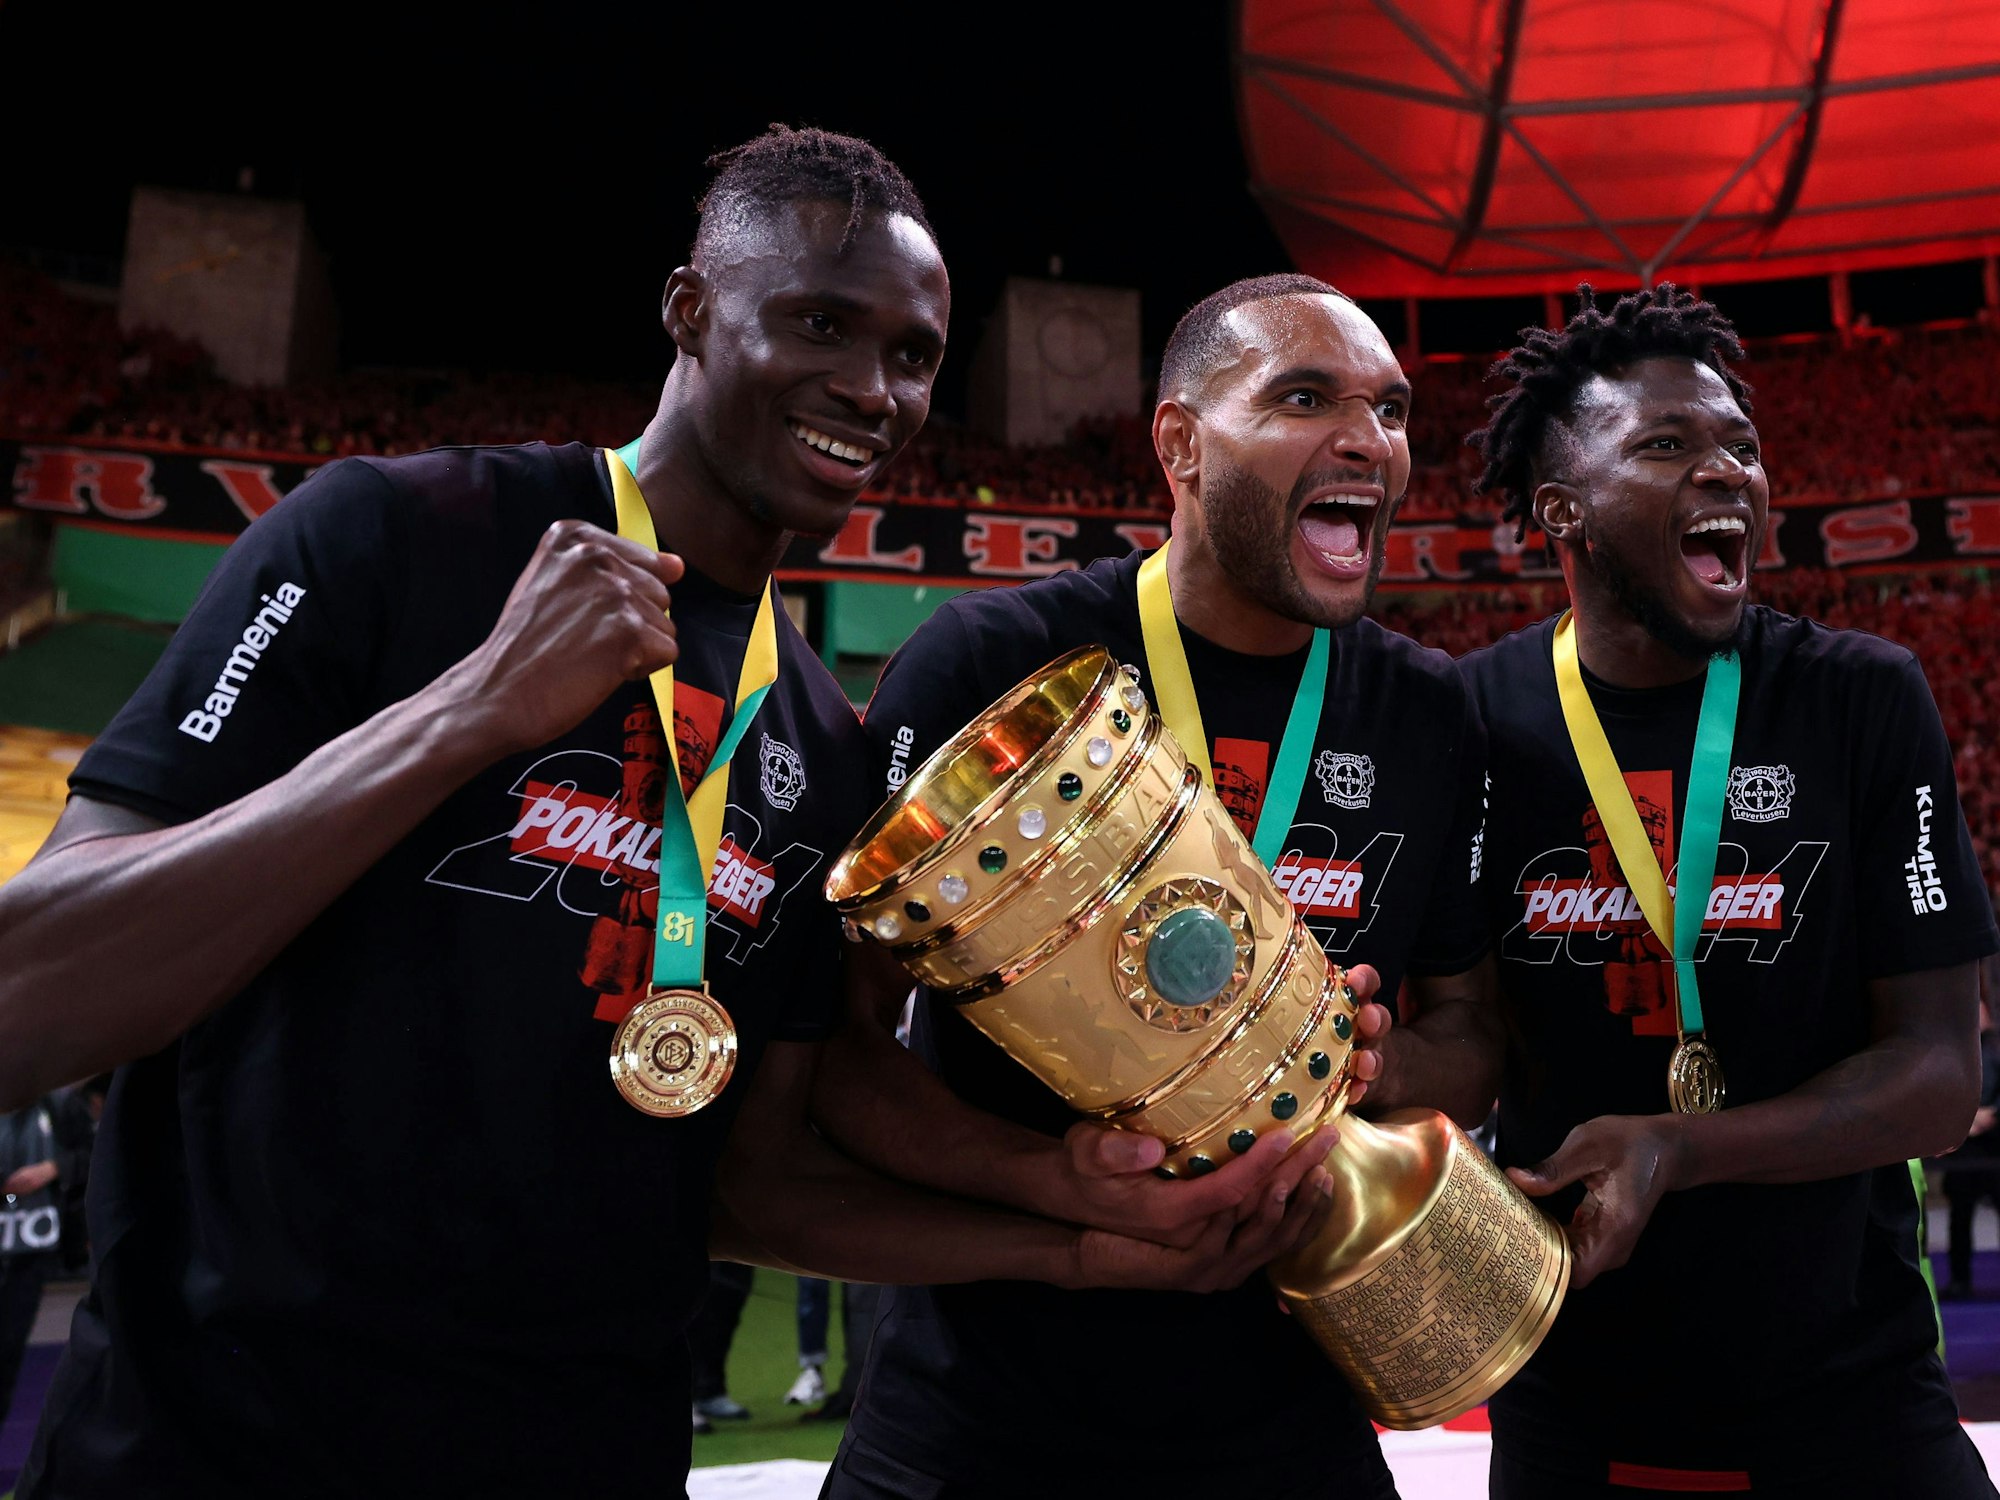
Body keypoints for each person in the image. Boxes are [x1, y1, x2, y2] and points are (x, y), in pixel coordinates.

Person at [0, 129, 1330, 1500]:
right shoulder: (394, 536)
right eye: (822, 322)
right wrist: (464, 715)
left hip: (591, 1457)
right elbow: (27, 997)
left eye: (915, 355)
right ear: (689, 310)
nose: (872, 389)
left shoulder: (816, 739)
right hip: (218, 1452)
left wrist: (1077, 1237)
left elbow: (744, 1184)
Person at [812, 273, 1501, 1499]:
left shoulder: (1425, 712)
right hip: (978, 1422)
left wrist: (1350, 1062)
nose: (1370, 441)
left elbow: (1472, 1033)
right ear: (1179, 443)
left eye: (1389, 411)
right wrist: (1055, 1191)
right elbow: (840, 1049)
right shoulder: (994, 667)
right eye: (1304, 396)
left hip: (1289, 1425)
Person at [1459, 283, 1999, 1499]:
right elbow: (1463, 1032)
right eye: (1665, 445)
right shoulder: (1477, 716)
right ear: (1562, 508)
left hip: (1850, 1397)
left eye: (1740, 446)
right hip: (1569, 1402)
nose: (1728, 471)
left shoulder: (1861, 697)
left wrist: (1679, 1150)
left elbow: (1933, 1077)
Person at [0, 1086, 95, 1429]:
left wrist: (52, 1169)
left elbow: (92, 1152)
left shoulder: (59, 1104)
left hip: (31, 1245)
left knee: (7, 1350)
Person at [1941, 973, 2000, 1300]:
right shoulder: (1953, 1056)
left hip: (1993, 1146)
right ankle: (1960, 1280)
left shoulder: (1995, 1051)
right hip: (1963, 1146)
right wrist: (1968, 1120)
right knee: (1959, 1218)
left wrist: (1991, 1116)